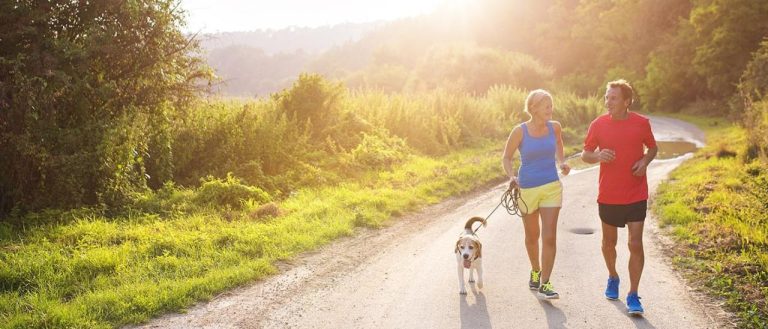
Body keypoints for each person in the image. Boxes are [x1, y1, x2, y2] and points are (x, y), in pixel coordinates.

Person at [581, 79, 657, 315]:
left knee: (635, 243)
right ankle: (613, 276)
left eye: (613, 98)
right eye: (606, 97)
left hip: (635, 191)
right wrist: (598, 156)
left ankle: (633, 293)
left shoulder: (641, 123)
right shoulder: (598, 124)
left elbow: (652, 147)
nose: (608, 102)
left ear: (626, 101)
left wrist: (644, 161)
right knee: (609, 243)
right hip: (609, 194)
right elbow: (585, 154)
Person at [502, 89, 571, 299]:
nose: (551, 109)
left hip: (551, 186)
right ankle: (535, 270)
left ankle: (546, 283)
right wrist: (511, 176)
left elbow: (559, 143)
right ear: (533, 108)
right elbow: (506, 157)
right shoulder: (520, 131)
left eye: (551, 105)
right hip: (527, 189)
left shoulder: (555, 127)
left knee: (549, 237)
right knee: (533, 236)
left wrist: (562, 162)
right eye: (546, 106)